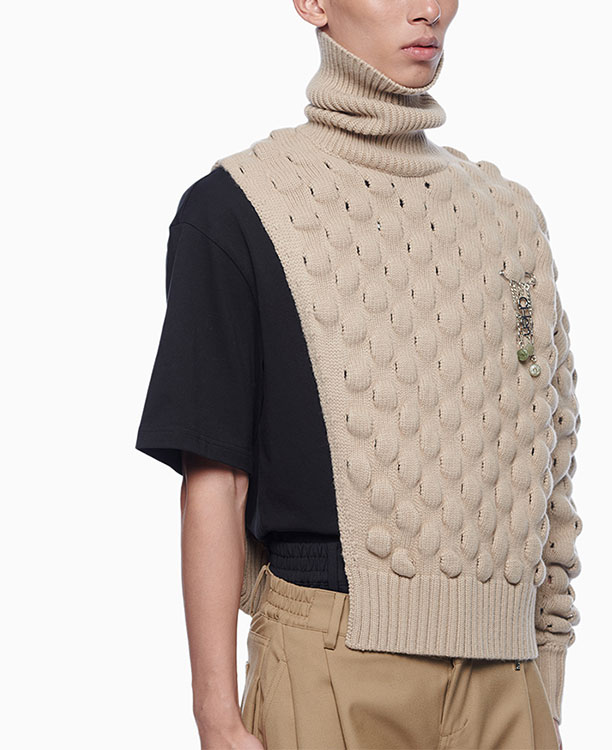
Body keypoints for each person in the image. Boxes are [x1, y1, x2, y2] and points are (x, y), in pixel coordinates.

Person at [135, 1, 583, 748]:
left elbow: (550, 464)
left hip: (510, 682)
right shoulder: (238, 208)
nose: (428, 9)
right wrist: (216, 714)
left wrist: (549, 682)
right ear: (312, 3)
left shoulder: (510, 219)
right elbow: (215, 477)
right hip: (331, 665)